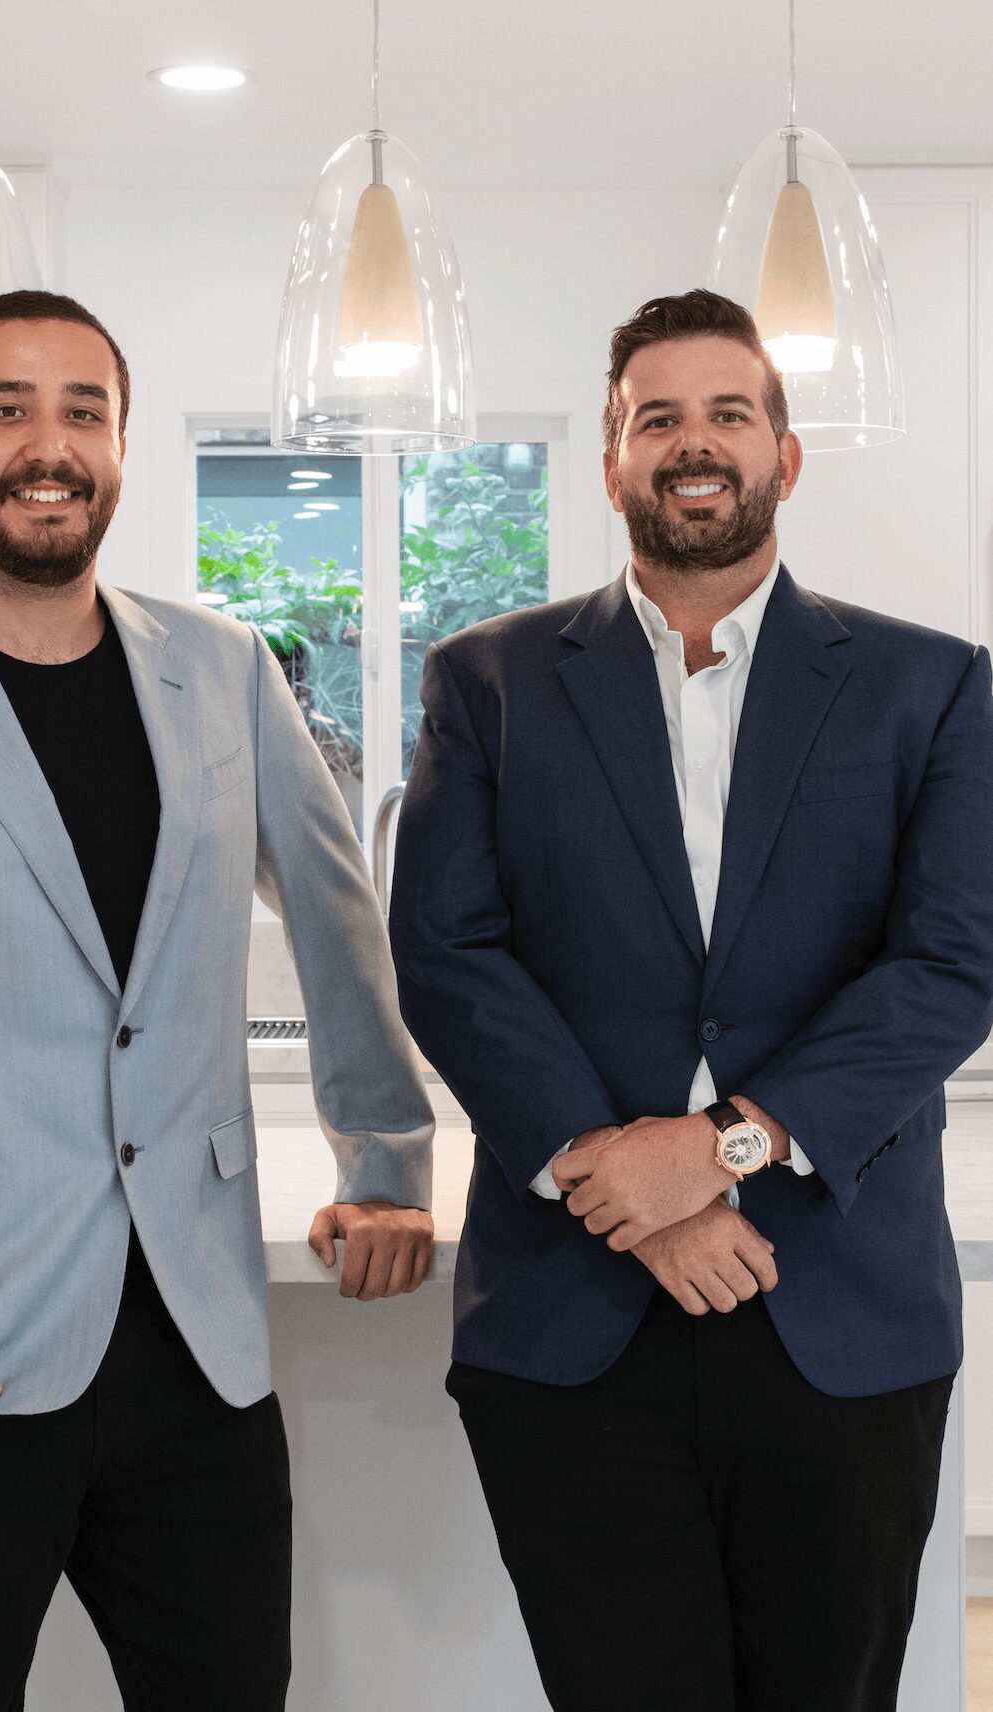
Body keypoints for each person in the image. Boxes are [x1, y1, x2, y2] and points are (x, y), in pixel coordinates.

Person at [0, 289, 434, 1712]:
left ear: (115, 449)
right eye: (6, 410)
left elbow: (339, 925)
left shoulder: (222, 669)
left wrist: (389, 1160)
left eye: (82, 411)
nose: (49, 444)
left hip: (197, 1341)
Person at [388, 288, 993, 1712]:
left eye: (729, 412)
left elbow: (951, 963)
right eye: (653, 417)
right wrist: (625, 1188)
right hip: (570, 1314)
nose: (692, 441)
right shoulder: (488, 682)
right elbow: (449, 954)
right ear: (609, 462)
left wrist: (715, 1148)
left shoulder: (934, 685)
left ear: (786, 454)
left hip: (837, 1309)